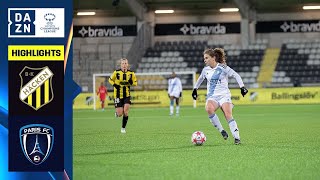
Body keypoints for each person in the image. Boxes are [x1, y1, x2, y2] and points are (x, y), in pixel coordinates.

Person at [192, 48, 248, 145]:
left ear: (213, 58)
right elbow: (200, 79)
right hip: (212, 96)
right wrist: (195, 89)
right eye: (204, 58)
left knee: (227, 115)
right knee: (208, 109)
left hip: (224, 95)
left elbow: (236, 75)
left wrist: (242, 87)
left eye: (206, 58)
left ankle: (237, 137)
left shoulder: (223, 67)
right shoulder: (205, 70)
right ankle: (222, 131)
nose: (204, 60)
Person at [108, 58, 137, 133]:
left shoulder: (131, 74)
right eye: (123, 63)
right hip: (117, 96)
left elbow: (135, 83)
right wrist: (114, 84)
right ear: (120, 65)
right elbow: (110, 80)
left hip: (127, 95)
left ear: (128, 65)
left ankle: (123, 128)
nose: (124, 65)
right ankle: (117, 114)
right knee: (120, 114)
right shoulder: (116, 72)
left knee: (126, 112)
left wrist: (131, 82)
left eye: (125, 63)